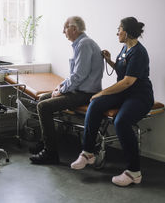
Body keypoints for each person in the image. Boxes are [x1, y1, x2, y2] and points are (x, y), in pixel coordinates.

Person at [71, 17, 154, 187]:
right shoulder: (125, 48)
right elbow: (123, 71)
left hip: (139, 96)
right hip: (124, 93)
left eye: (119, 29)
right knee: (95, 104)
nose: (117, 32)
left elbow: (128, 81)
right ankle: (88, 153)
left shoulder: (139, 52)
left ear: (128, 32)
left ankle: (134, 172)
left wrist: (102, 92)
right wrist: (109, 61)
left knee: (121, 121)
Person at [30, 16, 104, 165]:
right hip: (79, 90)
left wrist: (62, 90)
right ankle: (46, 143)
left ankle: (51, 153)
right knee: (43, 98)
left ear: (74, 29)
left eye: (65, 27)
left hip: (85, 94)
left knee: (43, 106)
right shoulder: (80, 44)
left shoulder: (84, 44)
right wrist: (61, 85)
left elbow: (79, 76)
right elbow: (75, 74)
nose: (63, 31)